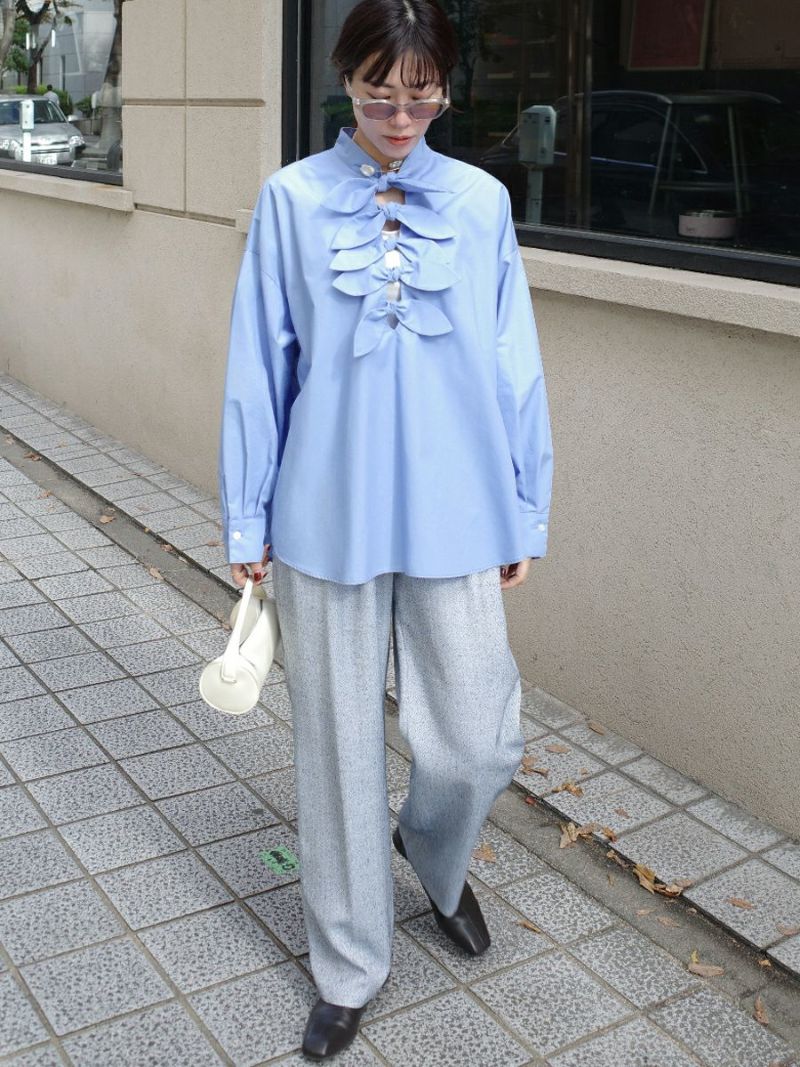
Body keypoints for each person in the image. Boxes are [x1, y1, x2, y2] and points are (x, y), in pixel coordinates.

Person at [218, 0, 553, 1057]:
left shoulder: (482, 202)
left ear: (446, 90)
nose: (399, 117)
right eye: (378, 94)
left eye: (421, 96)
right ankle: (348, 964)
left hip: (460, 507)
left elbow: (513, 359)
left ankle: (432, 854)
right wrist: (247, 510)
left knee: (479, 734)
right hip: (325, 510)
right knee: (336, 750)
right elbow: (259, 364)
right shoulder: (290, 200)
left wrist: (524, 501)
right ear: (344, 79)